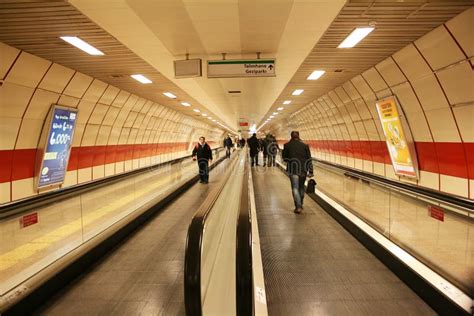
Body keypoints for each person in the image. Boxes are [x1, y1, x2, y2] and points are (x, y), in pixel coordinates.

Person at [282, 131, 314, 214]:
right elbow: (309, 159)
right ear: (298, 136)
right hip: (303, 170)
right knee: (301, 187)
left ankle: (298, 206)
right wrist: (311, 171)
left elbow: (284, 158)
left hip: (293, 170)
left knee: (295, 188)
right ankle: (301, 202)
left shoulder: (287, 145)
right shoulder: (305, 145)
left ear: (291, 136)